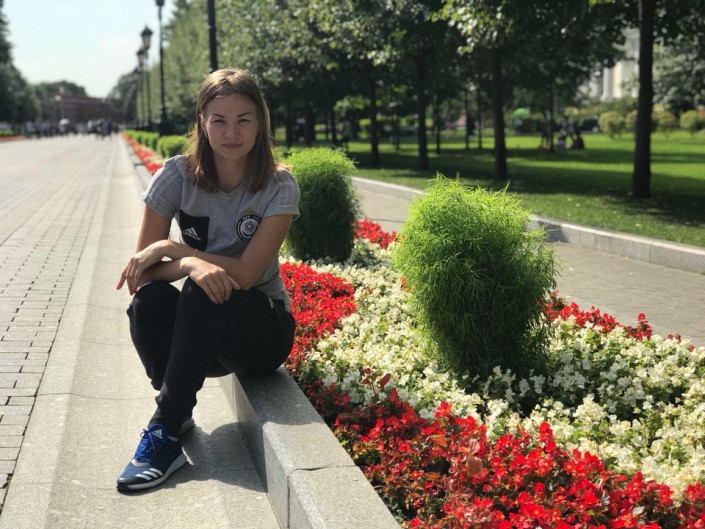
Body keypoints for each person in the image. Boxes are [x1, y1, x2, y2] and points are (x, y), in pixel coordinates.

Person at [115, 68, 300, 492]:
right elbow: (141, 273)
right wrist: (187, 266)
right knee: (149, 302)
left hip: (261, 334)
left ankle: (164, 432)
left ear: (261, 122)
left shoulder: (278, 185)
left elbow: (247, 274)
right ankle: (177, 412)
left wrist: (179, 251)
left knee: (204, 284)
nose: (231, 133)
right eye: (219, 120)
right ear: (201, 121)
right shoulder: (177, 176)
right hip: (202, 334)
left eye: (244, 120)